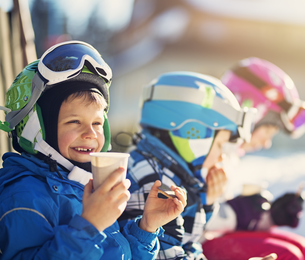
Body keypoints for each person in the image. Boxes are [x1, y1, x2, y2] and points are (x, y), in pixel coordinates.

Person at [0, 41, 186, 260]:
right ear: (37, 127)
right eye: (74, 121)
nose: (90, 134)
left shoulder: (80, 183)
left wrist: (146, 228)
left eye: (97, 123)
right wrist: (89, 226)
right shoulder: (24, 196)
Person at [117, 71, 276, 260]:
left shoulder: (167, 171)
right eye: (218, 145)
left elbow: (186, 243)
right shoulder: (157, 184)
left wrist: (206, 203)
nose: (221, 156)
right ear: (193, 134)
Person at [202, 57, 305, 260]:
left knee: (303, 248)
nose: (266, 143)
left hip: (208, 240)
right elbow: (190, 218)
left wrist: (270, 215)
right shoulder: (207, 150)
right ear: (252, 112)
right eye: (269, 131)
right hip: (191, 246)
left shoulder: (228, 154)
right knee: (288, 255)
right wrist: (238, 212)